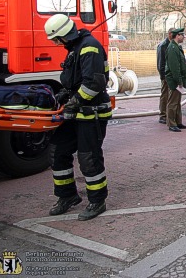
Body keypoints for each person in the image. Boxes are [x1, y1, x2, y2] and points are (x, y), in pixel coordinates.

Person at [43, 14, 112, 221]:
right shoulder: (75, 48)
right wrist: (66, 93)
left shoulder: (90, 47)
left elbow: (94, 84)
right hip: (76, 112)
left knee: (88, 157)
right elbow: (75, 79)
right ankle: (68, 196)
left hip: (93, 113)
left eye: (56, 39)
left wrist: (73, 103)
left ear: (65, 35)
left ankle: (97, 201)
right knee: (58, 150)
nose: (56, 43)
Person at [165, 27, 186, 132]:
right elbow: (175, 67)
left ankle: (178, 122)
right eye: (182, 35)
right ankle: (171, 123)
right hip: (174, 81)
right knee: (173, 103)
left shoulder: (176, 47)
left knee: (177, 102)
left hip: (178, 80)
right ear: (177, 36)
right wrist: (179, 81)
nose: (184, 37)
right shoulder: (172, 48)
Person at [157, 28, 175, 124]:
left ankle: (167, 114)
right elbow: (161, 63)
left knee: (169, 95)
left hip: (170, 75)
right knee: (165, 95)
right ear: (169, 34)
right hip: (166, 75)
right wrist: (163, 76)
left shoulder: (171, 44)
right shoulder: (163, 46)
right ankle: (163, 115)